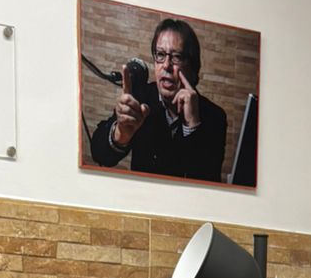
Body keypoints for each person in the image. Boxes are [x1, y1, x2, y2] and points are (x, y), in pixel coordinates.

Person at [85, 18, 228, 181]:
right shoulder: (141, 97)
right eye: (160, 55)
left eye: (177, 57)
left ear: (193, 67)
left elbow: (208, 184)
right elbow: (100, 155)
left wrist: (192, 127)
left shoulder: (214, 116)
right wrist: (120, 134)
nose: (166, 65)